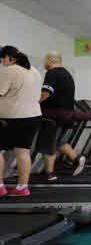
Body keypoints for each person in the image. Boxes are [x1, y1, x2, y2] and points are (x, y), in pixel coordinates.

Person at [36, 51, 85, 180]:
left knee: (48, 145)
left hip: (52, 115)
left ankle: (50, 174)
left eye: (44, 60)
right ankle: (76, 159)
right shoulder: (67, 74)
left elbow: (46, 93)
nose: (44, 63)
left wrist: (33, 102)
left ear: (49, 60)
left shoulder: (52, 73)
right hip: (66, 114)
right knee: (59, 142)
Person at [0, 46, 42, 197]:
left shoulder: (10, 70)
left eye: (2, 59)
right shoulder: (34, 70)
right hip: (33, 116)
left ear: (9, 58)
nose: (1, 62)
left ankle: (0, 187)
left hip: (12, 118)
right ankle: (22, 188)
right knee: (23, 151)